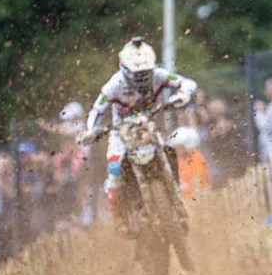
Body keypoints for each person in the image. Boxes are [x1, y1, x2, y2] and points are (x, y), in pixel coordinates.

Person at [78, 37, 196, 236]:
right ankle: (120, 219)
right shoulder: (114, 85)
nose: (142, 79)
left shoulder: (159, 75)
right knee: (114, 171)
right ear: (124, 69)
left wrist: (182, 95)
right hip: (119, 132)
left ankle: (175, 196)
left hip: (147, 127)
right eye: (137, 74)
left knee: (168, 151)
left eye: (145, 74)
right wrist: (91, 130)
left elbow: (188, 83)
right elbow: (97, 110)